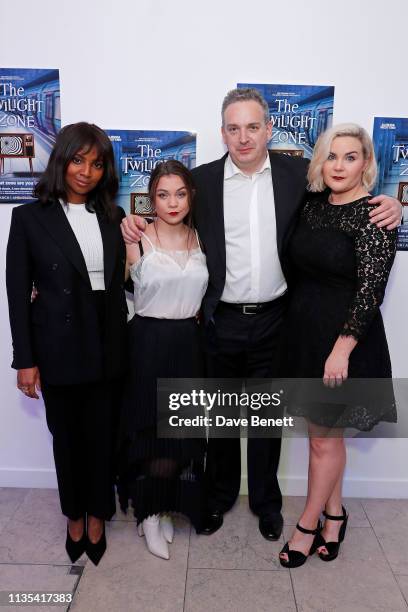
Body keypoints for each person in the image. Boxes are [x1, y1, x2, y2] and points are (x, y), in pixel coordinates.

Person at [121, 88, 402, 542]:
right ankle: (219, 496)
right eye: (234, 128)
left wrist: (392, 203)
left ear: (269, 128)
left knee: (267, 418)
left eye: (253, 126)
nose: (244, 137)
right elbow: (165, 216)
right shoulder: (202, 182)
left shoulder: (299, 176)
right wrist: (130, 224)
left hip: (279, 319)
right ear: (223, 133)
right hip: (220, 319)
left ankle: (267, 503)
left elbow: (347, 199)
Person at [6, 122, 128, 566]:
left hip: (108, 345)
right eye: (78, 160)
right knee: (67, 440)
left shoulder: (113, 216)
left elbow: (119, 285)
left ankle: (98, 515)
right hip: (57, 346)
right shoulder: (29, 217)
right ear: (61, 160)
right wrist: (25, 359)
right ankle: (74, 517)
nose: (87, 171)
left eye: (97, 164)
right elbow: (17, 295)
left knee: (102, 439)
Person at [279, 123, 397, 568]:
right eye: (332, 155)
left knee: (322, 442)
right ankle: (334, 515)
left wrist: (342, 349)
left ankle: (306, 525)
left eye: (351, 157)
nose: (340, 165)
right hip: (304, 335)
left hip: (345, 341)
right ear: (320, 162)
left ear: (366, 164)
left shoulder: (375, 216)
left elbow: (371, 291)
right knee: (324, 438)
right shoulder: (310, 206)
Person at [117, 160, 208, 560]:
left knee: (179, 436)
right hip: (148, 343)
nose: (172, 202)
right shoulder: (136, 237)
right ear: (151, 198)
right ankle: (148, 514)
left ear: (191, 196)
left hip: (189, 342)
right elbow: (107, 288)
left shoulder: (202, 237)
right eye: (163, 194)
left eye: (181, 193)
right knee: (152, 434)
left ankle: (163, 506)